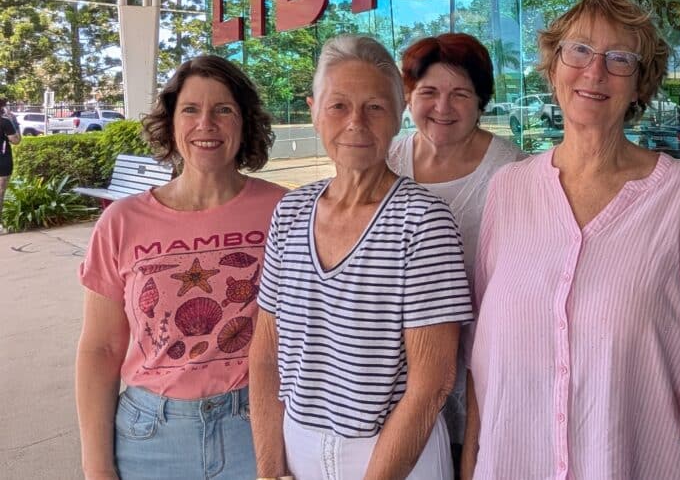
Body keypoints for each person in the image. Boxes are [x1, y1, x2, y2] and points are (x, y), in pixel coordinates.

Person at [463, 0, 680, 480]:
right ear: (554, 66)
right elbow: (484, 351)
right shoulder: (509, 189)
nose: (595, 71)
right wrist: (473, 459)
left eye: (620, 58)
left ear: (640, 84)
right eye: (579, 50)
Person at [251, 35, 474, 480]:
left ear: (397, 117)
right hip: (297, 447)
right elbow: (265, 353)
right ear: (314, 111)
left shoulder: (423, 221)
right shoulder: (292, 211)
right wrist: (269, 468)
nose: (356, 122)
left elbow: (432, 385)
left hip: (393, 456)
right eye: (338, 106)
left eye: (374, 107)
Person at [75, 55, 285, 480]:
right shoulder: (121, 221)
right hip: (149, 436)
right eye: (190, 109)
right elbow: (101, 349)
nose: (205, 123)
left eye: (223, 109)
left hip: (258, 427)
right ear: (170, 122)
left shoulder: (286, 210)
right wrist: (96, 467)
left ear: (244, 122)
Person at [388, 33, 524, 470]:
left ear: (481, 101)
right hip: (396, 372)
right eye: (428, 92)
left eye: (460, 94)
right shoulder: (386, 160)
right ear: (409, 97)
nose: (442, 108)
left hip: (478, 371)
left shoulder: (513, 172)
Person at [0, 97, 22, 217]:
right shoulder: (5, 122)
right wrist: (15, 123)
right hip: (2, 161)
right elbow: (16, 140)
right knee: (0, 193)